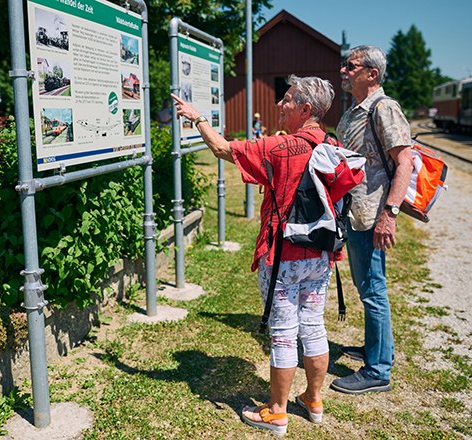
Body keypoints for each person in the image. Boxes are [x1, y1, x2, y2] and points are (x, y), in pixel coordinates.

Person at [172, 75, 337, 435]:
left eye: (288, 100)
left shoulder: (281, 148)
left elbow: (221, 149)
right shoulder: (330, 143)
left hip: (283, 256)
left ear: (306, 109)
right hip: (320, 256)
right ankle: (313, 399)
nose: (280, 104)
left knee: (282, 334)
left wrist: (197, 117)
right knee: (313, 327)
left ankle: (277, 411)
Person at [330, 45, 413, 395]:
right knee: (367, 288)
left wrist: (389, 215)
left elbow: (404, 161)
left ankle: (378, 370)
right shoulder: (355, 111)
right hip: (356, 212)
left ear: (372, 74)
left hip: (372, 215)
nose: (343, 71)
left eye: (351, 66)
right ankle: (377, 350)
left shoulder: (384, 108)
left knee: (373, 289)